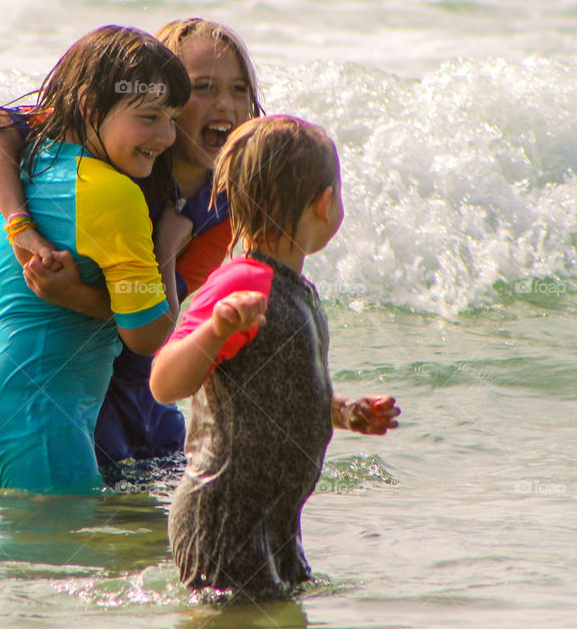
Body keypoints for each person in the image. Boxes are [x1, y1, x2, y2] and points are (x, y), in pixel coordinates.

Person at [0, 19, 264, 480]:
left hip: (141, 394)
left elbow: (150, 322)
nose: (225, 104)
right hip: (78, 401)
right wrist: (18, 222)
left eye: (240, 89)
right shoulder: (106, 151)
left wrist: (79, 293)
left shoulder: (219, 207)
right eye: (203, 87)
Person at [150, 115, 400, 596]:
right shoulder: (240, 282)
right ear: (325, 204)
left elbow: (278, 395)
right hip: (222, 512)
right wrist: (217, 327)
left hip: (275, 517)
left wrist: (344, 412)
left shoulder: (296, 291)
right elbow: (164, 381)